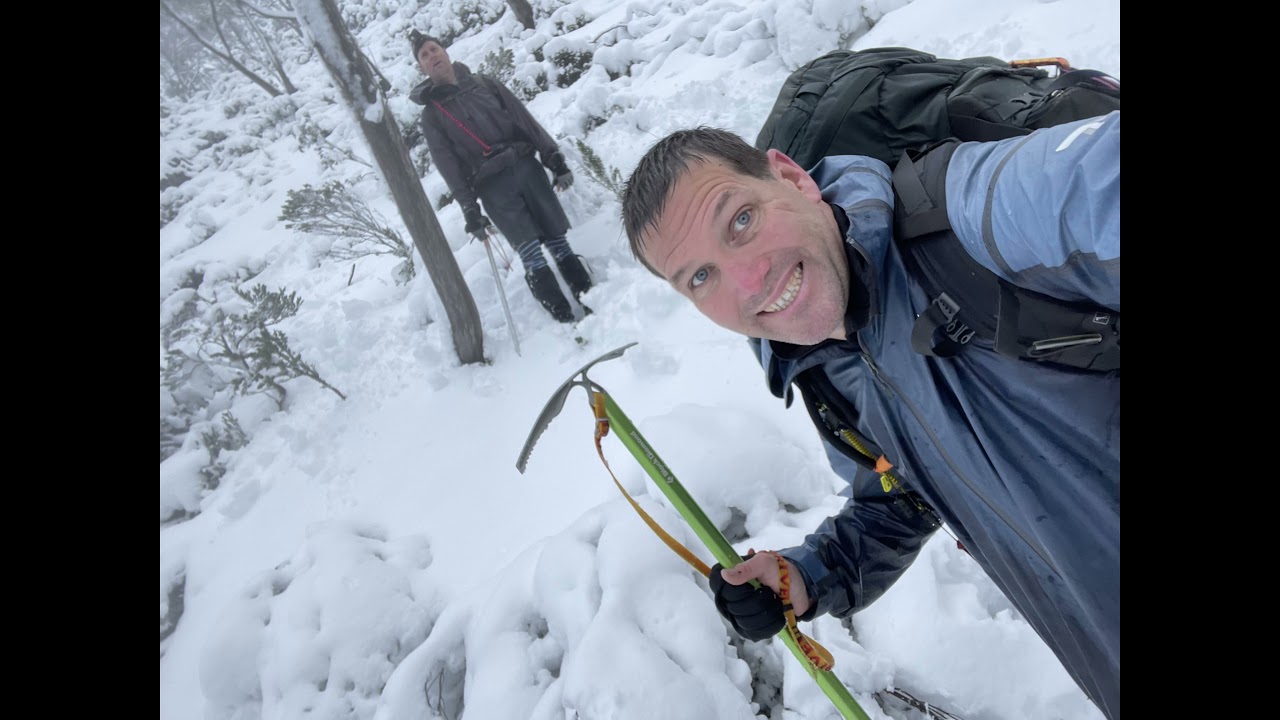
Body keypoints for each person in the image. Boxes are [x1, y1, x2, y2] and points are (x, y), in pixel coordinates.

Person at [620, 115, 1119, 719]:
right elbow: (904, 495)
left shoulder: (974, 215)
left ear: (792, 178)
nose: (749, 282)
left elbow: (1092, 181)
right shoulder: (822, 366)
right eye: (701, 276)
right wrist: (807, 576)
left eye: (741, 220)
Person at [408, 30, 592, 323]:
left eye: (434, 49)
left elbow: (523, 120)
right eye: (424, 55)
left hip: (526, 167)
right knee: (530, 252)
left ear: (445, 51)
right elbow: (448, 166)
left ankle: (591, 300)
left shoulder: (484, 83)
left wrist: (553, 157)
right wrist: (470, 208)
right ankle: (565, 319)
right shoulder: (432, 116)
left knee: (558, 240)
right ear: (422, 68)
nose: (432, 56)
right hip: (492, 186)